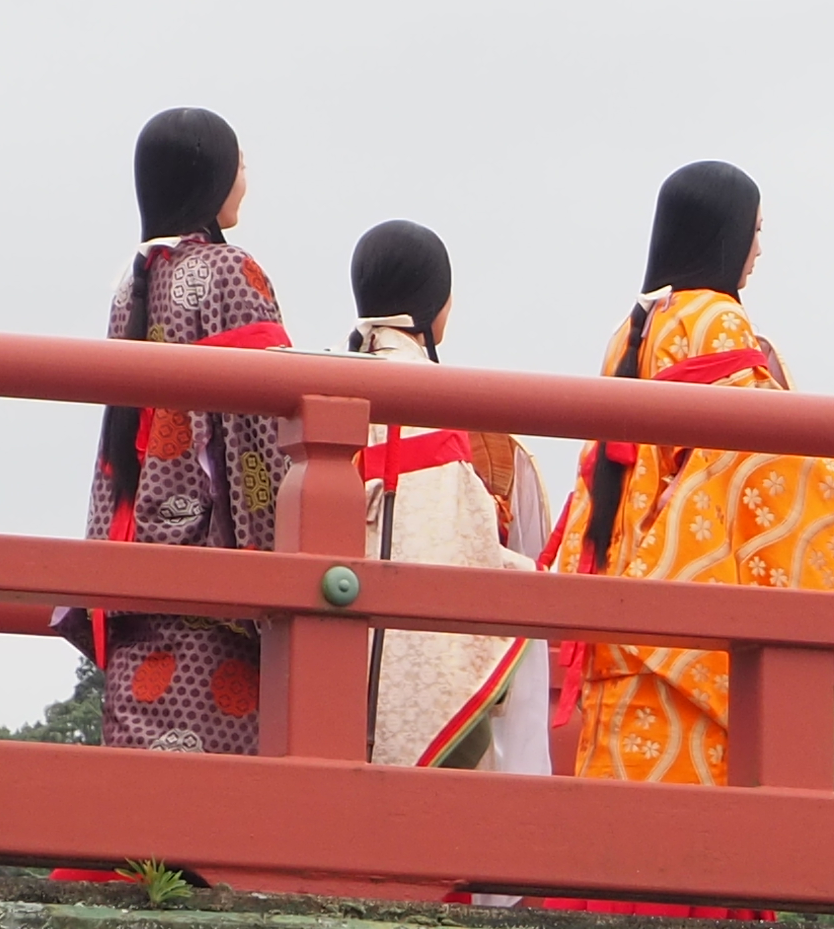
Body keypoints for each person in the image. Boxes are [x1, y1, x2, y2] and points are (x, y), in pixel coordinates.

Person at [547, 161, 834, 786]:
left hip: (614, 616)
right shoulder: (716, 319)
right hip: (672, 627)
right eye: (755, 230)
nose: (758, 250)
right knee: (683, 835)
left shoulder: (630, 328)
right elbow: (757, 459)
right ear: (726, 233)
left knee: (610, 815)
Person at [82, 108, 297, 753]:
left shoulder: (133, 280)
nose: (246, 180)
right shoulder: (233, 273)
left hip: (136, 556)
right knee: (223, 800)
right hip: (211, 569)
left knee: (143, 796)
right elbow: (258, 428)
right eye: (240, 165)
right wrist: (274, 554)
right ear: (213, 177)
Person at [344, 219, 544, 771]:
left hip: (333, 651)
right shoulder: (434, 399)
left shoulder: (332, 373)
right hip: (402, 641)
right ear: (436, 304)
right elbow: (457, 538)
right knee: (531, 595)